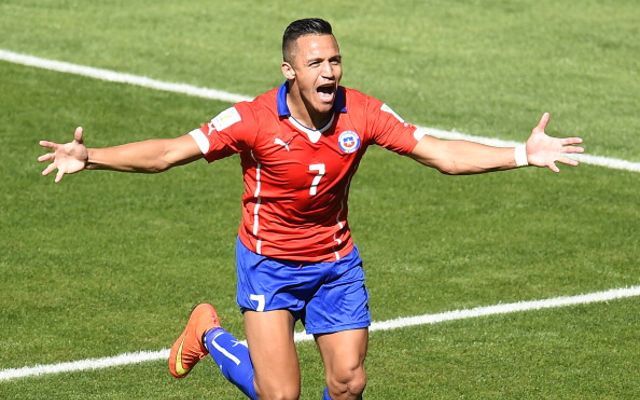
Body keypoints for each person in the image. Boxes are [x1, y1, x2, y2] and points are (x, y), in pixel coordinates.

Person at [38, 18, 583, 400]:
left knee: (348, 384)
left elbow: (440, 153)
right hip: (269, 265)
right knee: (281, 395)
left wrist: (522, 154)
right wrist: (92, 158)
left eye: (336, 59)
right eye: (316, 62)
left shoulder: (362, 113)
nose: (330, 72)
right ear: (289, 71)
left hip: (335, 267)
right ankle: (208, 333)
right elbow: (168, 153)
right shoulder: (252, 120)